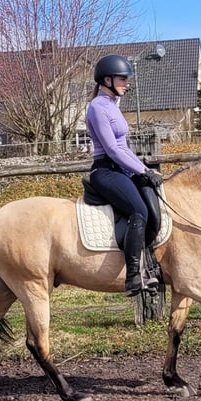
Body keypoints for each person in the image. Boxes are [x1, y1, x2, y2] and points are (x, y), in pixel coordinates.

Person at [86, 54, 163, 296]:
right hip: (105, 170)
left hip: (120, 168)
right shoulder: (98, 107)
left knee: (151, 203)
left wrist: (144, 170)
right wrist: (141, 170)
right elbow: (112, 149)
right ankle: (132, 277)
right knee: (137, 211)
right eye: (122, 79)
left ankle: (151, 265)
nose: (127, 83)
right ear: (107, 80)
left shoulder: (112, 106)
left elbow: (124, 148)